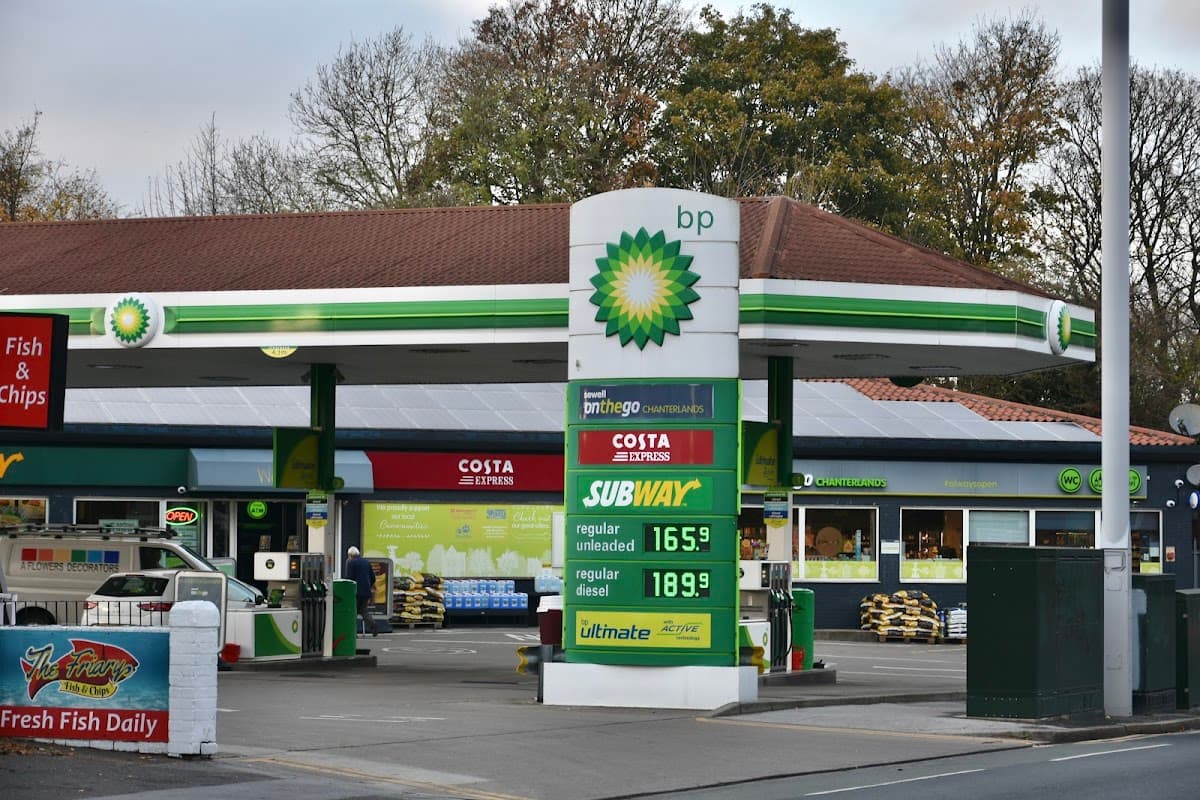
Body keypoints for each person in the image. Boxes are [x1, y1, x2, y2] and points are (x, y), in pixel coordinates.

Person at [345, 546, 378, 637]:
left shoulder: (350, 563)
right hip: (366, 592)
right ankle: (373, 625)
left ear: (350, 555)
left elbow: (349, 578)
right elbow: (373, 577)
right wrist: (369, 586)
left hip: (355, 591)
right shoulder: (366, 562)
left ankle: (353, 633)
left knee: (352, 612)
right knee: (364, 611)